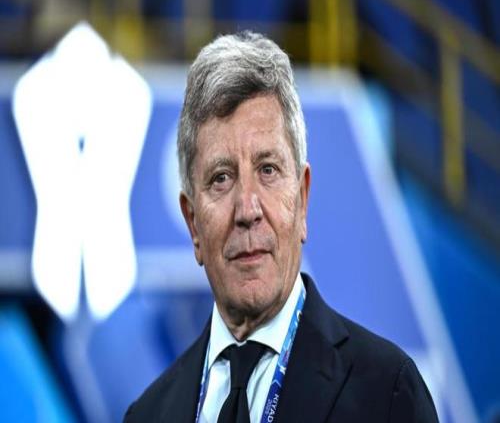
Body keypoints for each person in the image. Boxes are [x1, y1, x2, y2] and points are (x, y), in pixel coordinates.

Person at [124, 31, 439, 423]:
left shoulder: (387, 393)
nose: (247, 209)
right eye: (221, 178)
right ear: (192, 224)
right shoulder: (148, 415)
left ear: (302, 199)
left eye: (268, 170)